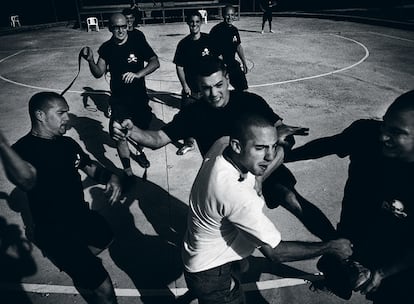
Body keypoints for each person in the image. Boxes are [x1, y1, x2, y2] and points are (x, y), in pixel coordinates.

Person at [112, 56, 338, 243]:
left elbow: (282, 140)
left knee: (291, 198)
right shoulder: (193, 113)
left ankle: (338, 247)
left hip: (264, 168)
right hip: (225, 182)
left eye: (219, 85)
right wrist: (130, 132)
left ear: (227, 78)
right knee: (227, 239)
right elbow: (159, 138)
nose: (214, 93)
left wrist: (260, 178)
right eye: (206, 88)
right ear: (197, 88)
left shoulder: (251, 102)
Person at [182, 112, 353, 303]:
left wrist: (271, 138)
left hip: (203, 255)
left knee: (230, 273)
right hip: (212, 272)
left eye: (272, 146)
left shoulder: (220, 146)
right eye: (261, 148)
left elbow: (246, 149)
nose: (270, 156)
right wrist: (330, 247)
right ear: (237, 146)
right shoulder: (238, 196)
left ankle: (201, 292)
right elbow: (276, 252)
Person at [286, 90, 414, 303]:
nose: (383, 135)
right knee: (338, 270)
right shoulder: (366, 134)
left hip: (398, 259)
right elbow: (327, 146)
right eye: (384, 124)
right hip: (356, 235)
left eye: (396, 131)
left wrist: (383, 273)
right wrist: (281, 158)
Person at [0, 92, 122, 304]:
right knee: (105, 292)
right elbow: (26, 180)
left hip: (80, 216)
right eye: (61, 113)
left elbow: (88, 166)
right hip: (56, 231)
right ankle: (77, 264)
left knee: (106, 236)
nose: (67, 118)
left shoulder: (67, 144)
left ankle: (78, 265)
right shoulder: (23, 150)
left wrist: (110, 177)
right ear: (40, 115)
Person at [82, 13, 160, 176]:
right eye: (116, 27)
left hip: (139, 97)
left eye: (123, 26)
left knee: (142, 128)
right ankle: (128, 172)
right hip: (119, 100)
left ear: (127, 26)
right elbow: (98, 73)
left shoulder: (137, 41)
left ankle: (138, 151)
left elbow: (155, 62)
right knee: (118, 134)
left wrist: (138, 74)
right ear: (110, 28)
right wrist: (90, 60)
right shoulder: (107, 48)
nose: (120, 30)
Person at [173, 10, 213, 155]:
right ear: (188, 23)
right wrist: (185, 85)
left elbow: (218, 60)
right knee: (187, 117)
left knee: (212, 116)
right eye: (192, 22)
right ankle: (189, 143)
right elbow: (179, 66)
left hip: (208, 88)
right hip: (191, 90)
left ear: (201, 23)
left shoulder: (209, 40)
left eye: (197, 22)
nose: (194, 25)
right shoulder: (183, 44)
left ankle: (213, 141)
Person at [209, 5, 248, 91]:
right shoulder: (216, 30)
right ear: (223, 15)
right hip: (219, 65)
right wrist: (222, 67)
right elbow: (211, 50)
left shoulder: (234, 30)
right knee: (221, 90)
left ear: (235, 16)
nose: (230, 17)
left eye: (232, 15)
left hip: (232, 63)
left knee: (243, 88)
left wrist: (244, 62)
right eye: (227, 15)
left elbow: (238, 46)